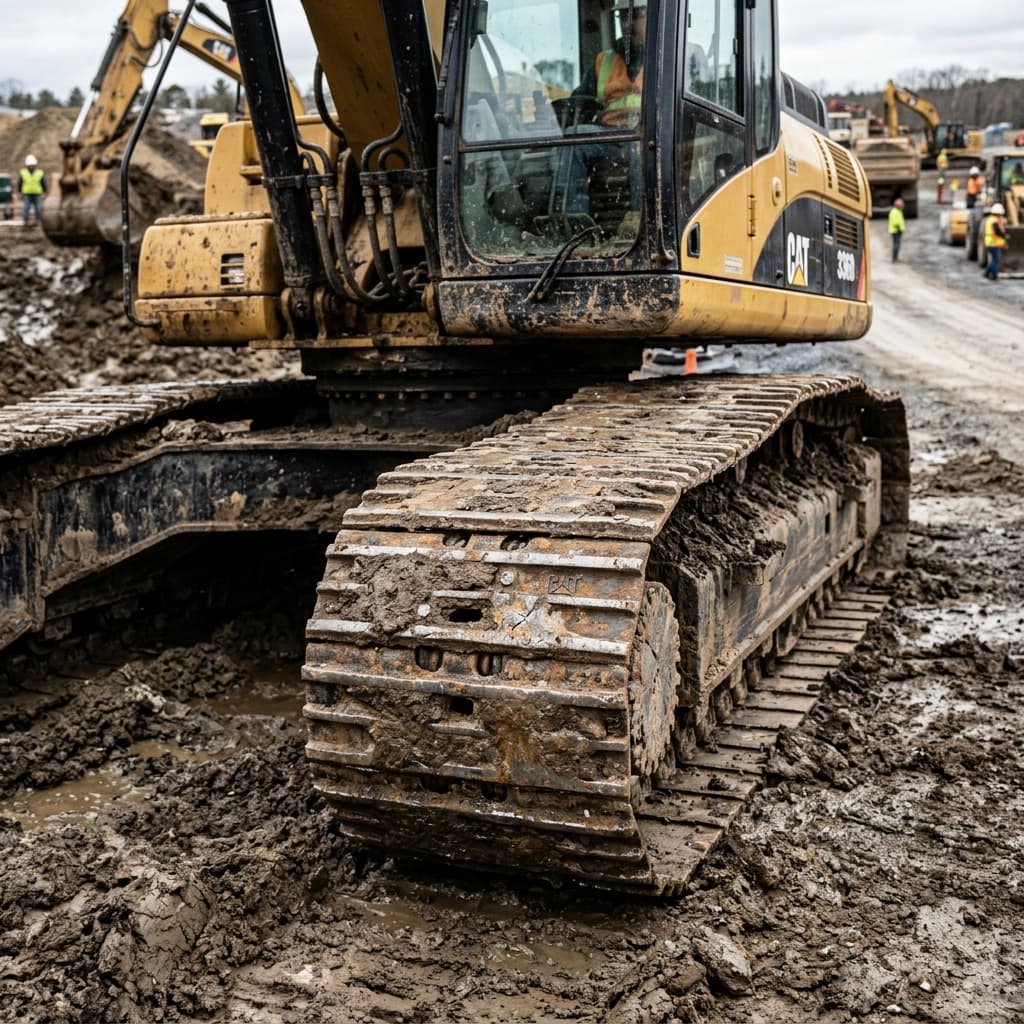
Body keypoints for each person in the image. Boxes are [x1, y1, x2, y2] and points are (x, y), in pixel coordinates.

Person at [561, 0, 646, 216]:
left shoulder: (666, 58)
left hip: (646, 134)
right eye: (623, 17)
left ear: (652, 17)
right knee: (573, 137)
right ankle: (575, 218)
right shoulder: (604, 61)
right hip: (611, 135)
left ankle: (640, 219)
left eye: (636, 16)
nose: (628, 24)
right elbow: (581, 100)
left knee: (642, 147)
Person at [981, 202, 1008, 281]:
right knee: (996, 260)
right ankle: (994, 275)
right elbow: (997, 231)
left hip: (991, 243)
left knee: (994, 259)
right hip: (994, 244)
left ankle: (986, 273)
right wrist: (1004, 235)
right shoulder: (994, 221)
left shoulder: (990, 219)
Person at [18, 154, 46, 227]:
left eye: (32, 165)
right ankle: (25, 221)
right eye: (29, 166)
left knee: (38, 208)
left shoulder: (40, 173)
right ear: (27, 165)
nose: (31, 167)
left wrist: (44, 192)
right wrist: (20, 192)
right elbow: (20, 183)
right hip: (26, 193)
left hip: (37, 193)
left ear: (35, 165)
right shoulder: (23, 172)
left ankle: (37, 221)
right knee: (26, 208)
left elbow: (43, 183)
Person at [888, 197, 905, 262]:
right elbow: (895, 222)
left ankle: (896, 257)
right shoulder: (894, 212)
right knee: (896, 245)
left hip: (897, 230)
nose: (902, 206)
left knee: (897, 244)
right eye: (901, 205)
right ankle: (894, 258)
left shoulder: (897, 211)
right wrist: (900, 228)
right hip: (896, 231)